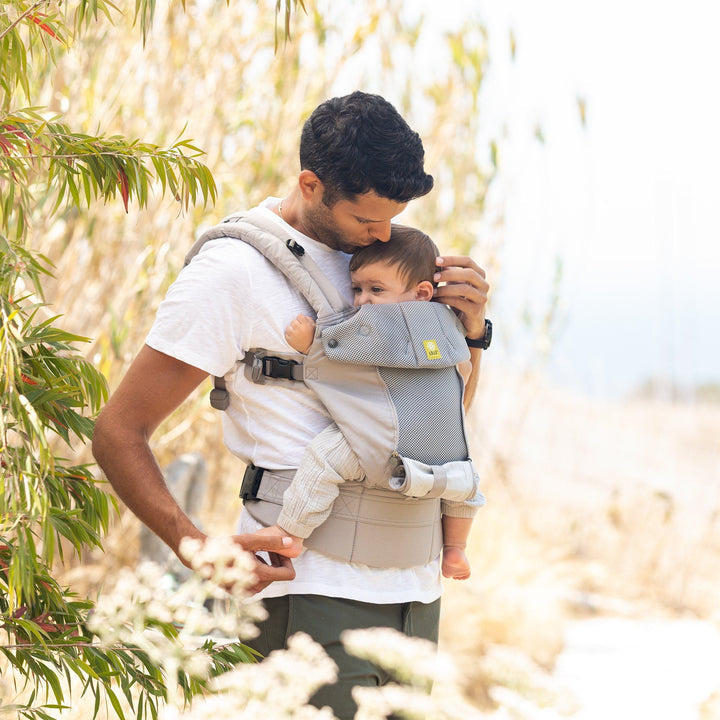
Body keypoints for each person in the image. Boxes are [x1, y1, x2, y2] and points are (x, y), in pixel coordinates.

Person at [92, 91, 490, 720]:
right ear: (311, 185)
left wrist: (469, 334)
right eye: (368, 220)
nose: (383, 234)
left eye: (393, 218)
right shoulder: (235, 272)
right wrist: (199, 551)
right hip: (312, 592)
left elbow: (439, 420)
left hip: (416, 590)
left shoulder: (393, 262)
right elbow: (119, 430)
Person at [257, 225, 484, 581]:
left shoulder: (379, 325)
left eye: (376, 289)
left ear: (422, 291)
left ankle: (291, 531)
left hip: (379, 436)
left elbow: (343, 361)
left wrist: (310, 346)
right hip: (436, 438)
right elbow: (463, 371)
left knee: (323, 459)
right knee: (463, 478)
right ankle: (456, 549)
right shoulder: (447, 323)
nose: (362, 300)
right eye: (357, 289)